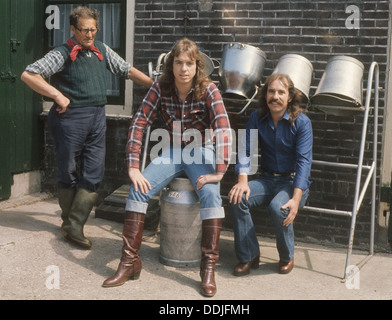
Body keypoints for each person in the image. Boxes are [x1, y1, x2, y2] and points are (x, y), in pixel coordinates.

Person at [102, 38, 232, 297]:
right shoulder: (160, 88)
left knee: (211, 194)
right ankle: (129, 262)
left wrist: (219, 170)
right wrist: (133, 167)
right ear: (171, 65)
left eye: (190, 64)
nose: (184, 69)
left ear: (197, 67)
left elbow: (223, 128)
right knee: (138, 190)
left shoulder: (208, 89)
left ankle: (208, 270)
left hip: (200, 150)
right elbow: (139, 122)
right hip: (172, 151)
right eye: (179, 63)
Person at [21, 6, 153, 249]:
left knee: (94, 171)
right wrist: (57, 96)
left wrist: (154, 85)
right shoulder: (61, 53)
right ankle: (72, 224)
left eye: (94, 30)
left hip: (97, 117)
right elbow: (29, 74)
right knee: (68, 171)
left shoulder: (101, 50)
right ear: (73, 29)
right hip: (70, 118)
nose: (90, 35)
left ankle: (73, 224)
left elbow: (125, 69)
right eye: (84, 30)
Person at [228, 73, 313, 276]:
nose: (275, 96)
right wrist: (242, 181)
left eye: (281, 92)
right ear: (266, 95)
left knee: (279, 208)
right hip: (267, 178)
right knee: (238, 197)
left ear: (289, 97)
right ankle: (248, 255)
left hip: (292, 182)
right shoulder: (257, 117)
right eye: (271, 91)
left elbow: (304, 161)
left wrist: (295, 198)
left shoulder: (302, 122)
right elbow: (245, 149)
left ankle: (286, 256)